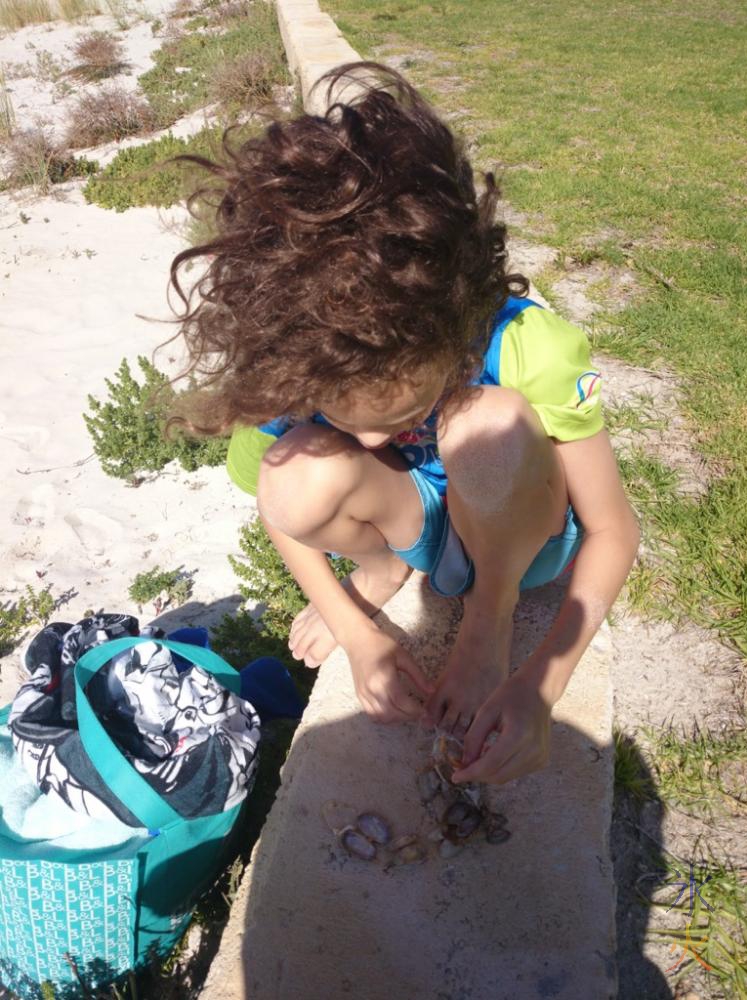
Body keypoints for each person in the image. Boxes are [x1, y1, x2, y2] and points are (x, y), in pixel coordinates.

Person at [165, 62, 640, 786]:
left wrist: (539, 686)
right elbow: (283, 515)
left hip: (521, 530)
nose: (377, 446)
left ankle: (489, 614)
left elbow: (613, 529)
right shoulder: (310, 359)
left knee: (485, 421)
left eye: (402, 416)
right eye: (353, 425)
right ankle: (383, 566)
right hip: (420, 525)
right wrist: (360, 638)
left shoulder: (525, 345)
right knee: (293, 475)